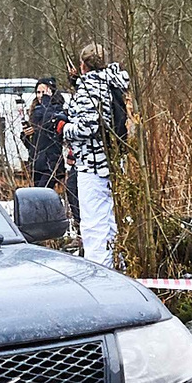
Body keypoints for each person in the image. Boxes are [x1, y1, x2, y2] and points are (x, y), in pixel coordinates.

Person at [65, 44, 132, 267]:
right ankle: (116, 264)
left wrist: (63, 127)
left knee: (94, 222)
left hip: (92, 163)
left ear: (82, 65)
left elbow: (87, 127)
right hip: (112, 161)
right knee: (109, 220)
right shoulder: (111, 81)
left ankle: (100, 271)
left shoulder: (89, 87)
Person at [23, 79, 67, 188]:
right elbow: (31, 144)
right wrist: (26, 135)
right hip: (36, 162)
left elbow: (49, 125)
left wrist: (47, 101)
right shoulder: (34, 112)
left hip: (51, 162)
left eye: (44, 93)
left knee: (43, 191)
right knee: (38, 193)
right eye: (38, 92)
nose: (40, 96)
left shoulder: (59, 110)